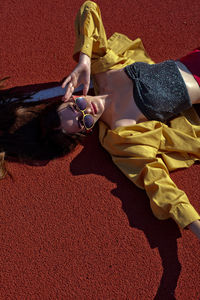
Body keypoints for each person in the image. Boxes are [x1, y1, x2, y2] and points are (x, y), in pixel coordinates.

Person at [1, 1, 200, 240]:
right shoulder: (122, 133)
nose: (88, 111)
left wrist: (84, 59)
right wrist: (195, 225)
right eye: (84, 121)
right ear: (86, 131)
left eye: (78, 105)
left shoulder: (103, 68)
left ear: (71, 96)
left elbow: (89, 9)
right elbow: (157, 182)